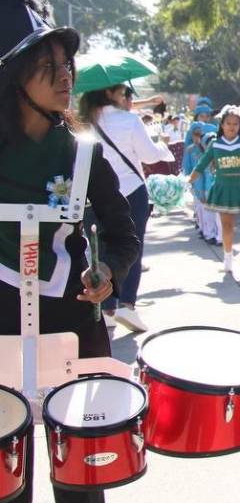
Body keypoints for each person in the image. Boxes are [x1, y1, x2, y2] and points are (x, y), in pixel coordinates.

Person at [0, 0, 139, 503]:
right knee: (7, 492)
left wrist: (109, 269)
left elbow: (123, 232)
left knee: (81, 483)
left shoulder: (84, 153)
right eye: (48, 66)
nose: (65, 78)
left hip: (72, 327)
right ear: (12, 74)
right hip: (1, 325)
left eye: (68, 66)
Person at [77, 81, 174, 333]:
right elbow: (150, 156)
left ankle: (106, 306)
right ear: (108, 92)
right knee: (131, 245)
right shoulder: (128, 120)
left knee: (99, 251)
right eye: (122, 92)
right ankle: (127, 305)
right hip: (130, 190)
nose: (125, 97)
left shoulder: (80, 121)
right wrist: (163, 144)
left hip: (91, 194)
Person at [188, 105, 240, 273]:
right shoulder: (215, 144)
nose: (232, 127)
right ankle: (227, 260)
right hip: (223, 188)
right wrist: (188, 181)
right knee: (227, 226)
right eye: (228, 123)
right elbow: (202, 164)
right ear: (222, 125)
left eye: (236, 124)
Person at [182, 122, 221, 245]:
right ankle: (208, 233)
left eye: (201, 134)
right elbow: (189, 169)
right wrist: (196, 187)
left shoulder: (214, 150)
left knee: (218, 213)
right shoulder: (191, 150)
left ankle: (219, 235)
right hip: (199, 185)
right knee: (204, 210)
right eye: (196, 134)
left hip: (215, 186)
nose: (198, 137)